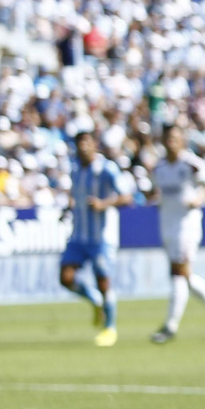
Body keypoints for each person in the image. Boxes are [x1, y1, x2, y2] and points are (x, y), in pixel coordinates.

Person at [149, 123, 205, 343]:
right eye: (167, 138)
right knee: (184, 275)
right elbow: (158, 192)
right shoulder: (159, 167)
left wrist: (199, 199)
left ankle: (170, 327)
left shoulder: (191, 164)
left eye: (174, 138)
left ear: (182, 140)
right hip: (167, 225)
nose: (170, 142)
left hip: (187, 227)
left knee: (177, 274)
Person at [59, 130, 131, 347]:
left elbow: (127, 197)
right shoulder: (75, 171)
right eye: (80, 143)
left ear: (94, 145)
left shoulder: (106, 169)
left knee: (104, 281)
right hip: (79, 235)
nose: (83, 147)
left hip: (101, 237)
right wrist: (67, 209)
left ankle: (110, 328)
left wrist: (103, 204)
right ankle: (95, 300)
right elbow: (76, 196)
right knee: (66, 277)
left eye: (87, 142)